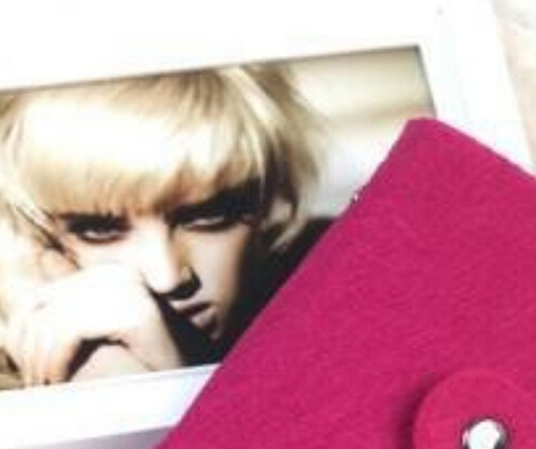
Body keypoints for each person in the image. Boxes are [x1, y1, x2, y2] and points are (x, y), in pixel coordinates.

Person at [0, 63, 325, 390]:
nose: (166, 277)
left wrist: (153, 384)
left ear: (266, 199)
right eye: (99, 230)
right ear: (32, 234)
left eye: (209, 216)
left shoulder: (330, 290)